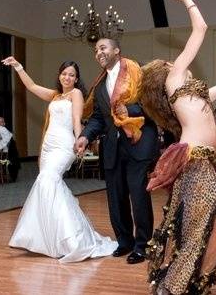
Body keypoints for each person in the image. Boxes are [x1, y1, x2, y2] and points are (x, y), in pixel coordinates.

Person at [139, 0, 216, 294]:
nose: (175, 62)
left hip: (205, 163)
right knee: (200, 225)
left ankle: (194, 278)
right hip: (195, 161)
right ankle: (171, 287)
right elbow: (199, 28)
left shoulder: (197, 95)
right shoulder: (174, 82)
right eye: (170, 63)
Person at [2, 56, 118, 262]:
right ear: (59, 75)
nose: (67, 77)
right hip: (48, 146)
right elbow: (31, 86)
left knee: (47, 180)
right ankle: (51, 237)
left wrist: (79, 140)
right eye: (64, 73)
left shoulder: (76, 94)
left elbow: (76, 119)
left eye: (71, 75)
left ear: (76, 78)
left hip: (65, 145)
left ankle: (73, 239)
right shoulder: (55, 96)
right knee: (49, 185)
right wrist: (18, 66)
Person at [75, 37, 158, 265]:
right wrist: (85, 136)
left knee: (138, 196)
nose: (98, 53)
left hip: (137, 144)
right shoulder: (100, 86)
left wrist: (128, 108)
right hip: (112, 147)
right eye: (96, 50)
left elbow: (152, 105)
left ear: (117, 51)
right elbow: (98, 118)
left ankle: (142, 246)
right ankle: (125, 242)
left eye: (103, 48)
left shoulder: (138, 74)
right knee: (116, 197)